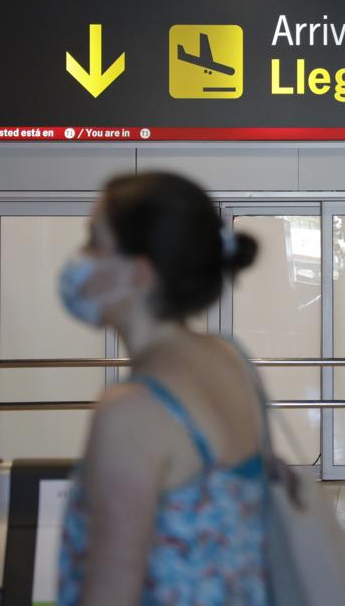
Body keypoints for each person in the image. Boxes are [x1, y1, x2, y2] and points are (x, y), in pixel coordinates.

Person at [56, 172, 267, 605]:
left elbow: (111, 595)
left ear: (138, 272)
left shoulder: (132, 411)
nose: (80, 259)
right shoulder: (230, 360)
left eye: (94, 241)